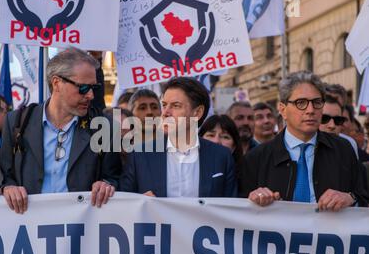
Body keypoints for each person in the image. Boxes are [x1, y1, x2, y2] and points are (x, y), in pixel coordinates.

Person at [0, 47, 121, 214]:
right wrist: (9, 188)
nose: (91, 95)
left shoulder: (104, 127)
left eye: (95, 88)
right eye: (84, 88)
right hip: (29, 225)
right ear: (57, 83)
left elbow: (115, 177)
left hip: (81, 228)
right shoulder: (16, 122)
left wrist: (107, 184)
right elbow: (4, 175)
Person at [240, 71, 368, 210]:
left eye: (317, 102)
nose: (310, 110)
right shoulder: (257, 158)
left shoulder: (343, 150)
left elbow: (363, 195)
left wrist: (350, 198)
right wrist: (252, 199)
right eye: (301, 103)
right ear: (283, 110)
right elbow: (236, 212)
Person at [120, 77, 237, 198]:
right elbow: (125, 204)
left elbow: (230, 210)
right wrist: (140, 202)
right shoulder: (139, 155)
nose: (165, 112)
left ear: (197, 112)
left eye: (175, 106)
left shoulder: (221, 156)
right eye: (164, 105)